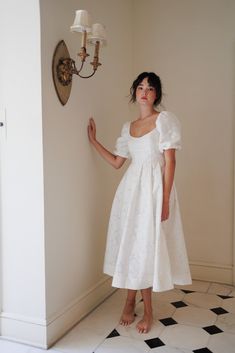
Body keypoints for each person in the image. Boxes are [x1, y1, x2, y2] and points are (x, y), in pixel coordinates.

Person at [87, 72, 192, 334]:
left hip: (154, 192)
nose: (144, 92)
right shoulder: (128, 127)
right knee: (132, 246)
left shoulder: (164, 120)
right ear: (135, 92)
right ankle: (129, 300)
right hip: (130, 193)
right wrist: (93, 141)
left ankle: (148, 310)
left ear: (156, 94)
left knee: (147, 248)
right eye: (140, 87)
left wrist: (165, 200)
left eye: (150, 88)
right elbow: (117, 162)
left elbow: (170, 162)